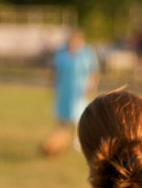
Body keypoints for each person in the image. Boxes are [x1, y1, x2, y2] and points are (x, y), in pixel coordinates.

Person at [40, 29, 100, 157]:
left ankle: (77, 141)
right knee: (62, 115)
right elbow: (56, 70)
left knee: (79, 115)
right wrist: (52, 85)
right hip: (64, 89)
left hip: (79, 89)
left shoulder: (87, 53)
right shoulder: (61, 53)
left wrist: (92, 86)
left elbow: (93, 71)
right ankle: (59, 138)